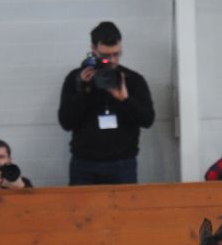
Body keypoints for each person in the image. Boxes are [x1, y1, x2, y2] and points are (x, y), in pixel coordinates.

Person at [57, 21, 156, 186]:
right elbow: (66, 122)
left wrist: (125, 99)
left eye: (117, 54)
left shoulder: (132, 80)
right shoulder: (76, 78)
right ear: (93, 49)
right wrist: (84, 91)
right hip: (84, 165)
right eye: (105, 56)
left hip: (122, 164)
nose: (111, 60)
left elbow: (147, 120)